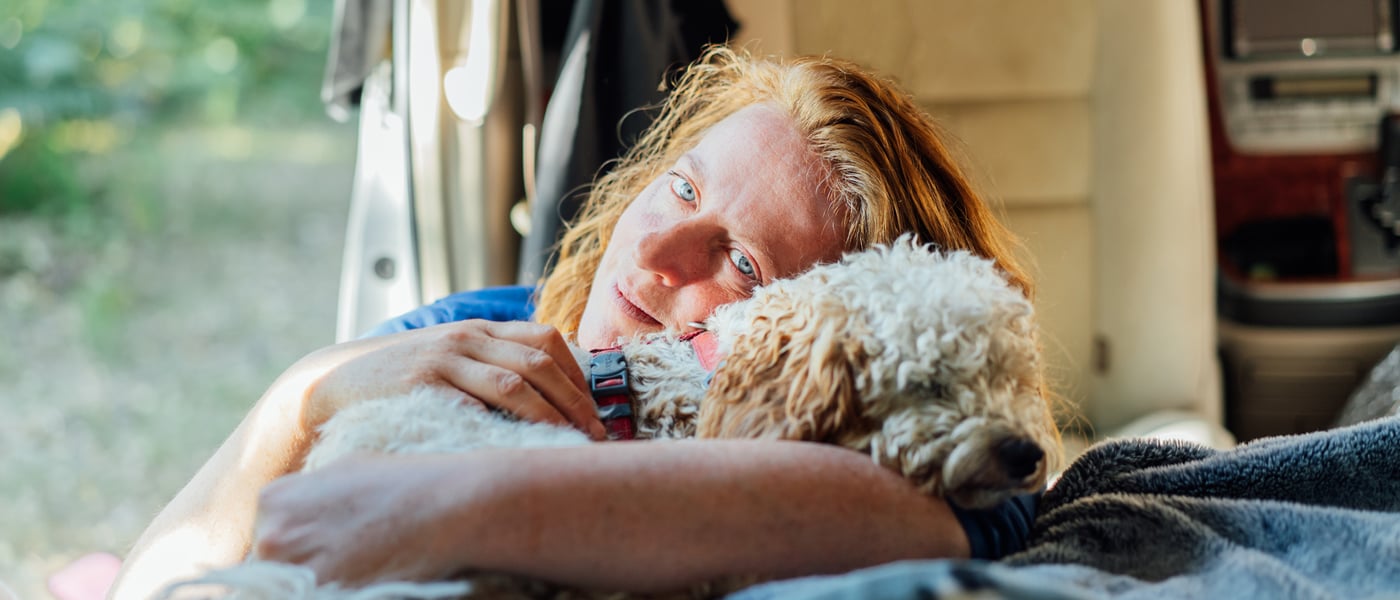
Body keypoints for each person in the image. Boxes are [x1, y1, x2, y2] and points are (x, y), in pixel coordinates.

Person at [110, 46, 1043, 599]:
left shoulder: (897, 444)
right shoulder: (465, 339)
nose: (658, 251)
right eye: (680, 186)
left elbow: (956, 519)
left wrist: (447, 511)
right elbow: (153, 583)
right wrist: (297, 398)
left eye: (744, 263)